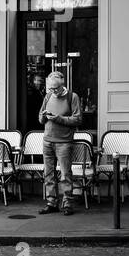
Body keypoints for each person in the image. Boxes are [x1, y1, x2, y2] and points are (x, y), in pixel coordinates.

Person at [38, 69, 83, 216]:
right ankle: (51, 202)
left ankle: (67, 203)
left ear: (62, 85)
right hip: (47, 140)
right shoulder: (48, 95)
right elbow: (40, 118)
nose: (53, 91)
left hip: (64, 142)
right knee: (48, 173)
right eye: (51, 88)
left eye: (55, 88)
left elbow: (78, 119)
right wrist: (44, 117)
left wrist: (58, 118)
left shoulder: (72, 97)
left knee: (65, 174)